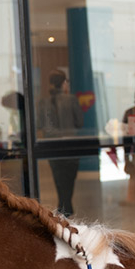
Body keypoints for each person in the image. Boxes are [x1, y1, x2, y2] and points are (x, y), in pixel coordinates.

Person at [38, 69, 84, 216]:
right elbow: (80, 122)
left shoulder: (43, 102)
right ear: (64, 83)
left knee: (59, 180)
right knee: (69, 182)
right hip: (71, 147)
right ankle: (65, 209)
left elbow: (40, 124)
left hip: (52, 147)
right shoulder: (71, 100)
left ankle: (63, 209)